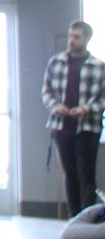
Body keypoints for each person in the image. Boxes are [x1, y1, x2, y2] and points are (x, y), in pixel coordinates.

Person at [44, 21, 104, 217]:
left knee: (85, 175)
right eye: (70, 36)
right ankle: (73, 217)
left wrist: (86, 109)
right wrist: (55, 106)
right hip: (62, 126)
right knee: (69, 174)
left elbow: (103, 97)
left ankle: (88, 219)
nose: (71, 40)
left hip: (88, 127)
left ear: (87, 39)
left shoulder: (98, 66)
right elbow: (47, 91)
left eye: (77, 37)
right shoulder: (56, 62)